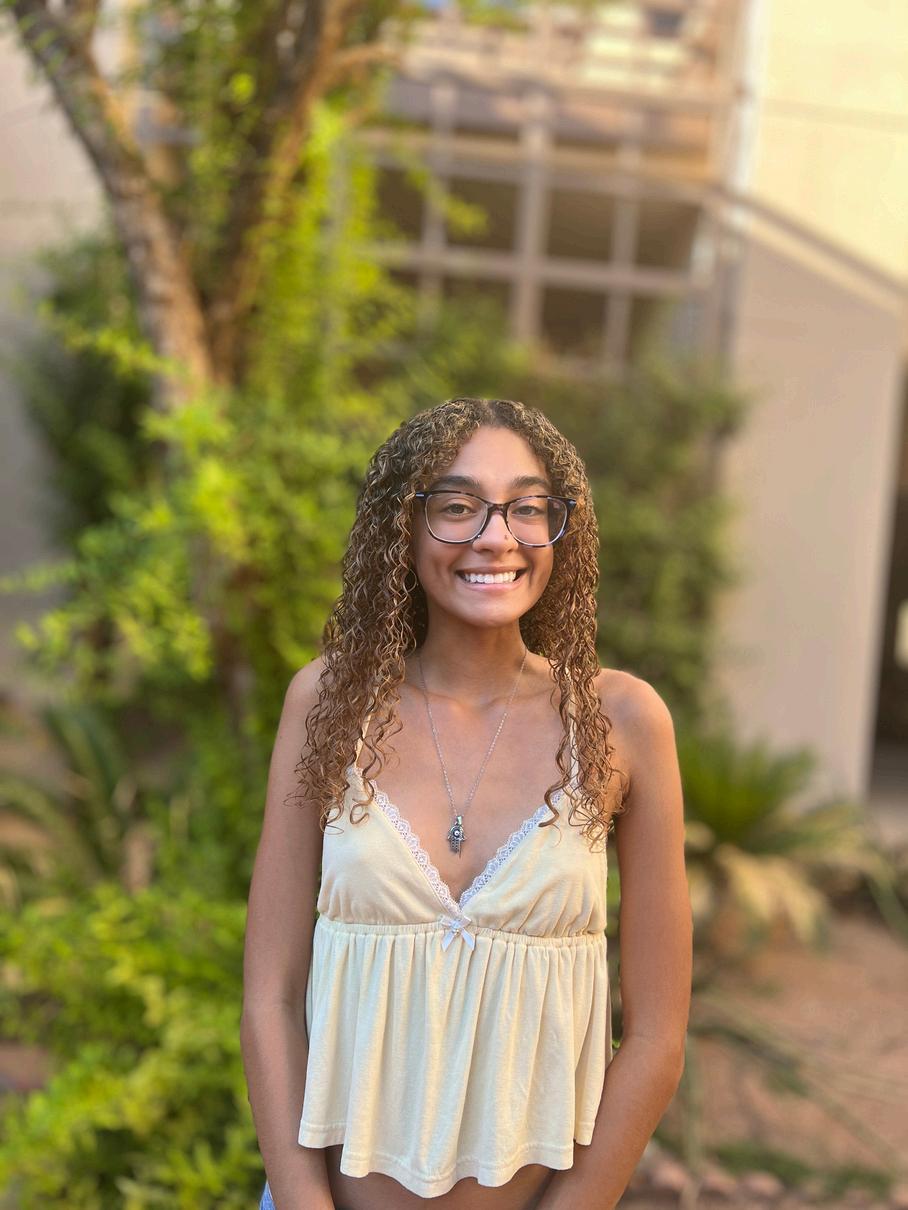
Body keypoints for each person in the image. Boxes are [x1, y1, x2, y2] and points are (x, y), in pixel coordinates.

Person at [241, 397, 692, 1210]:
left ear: (559, 529)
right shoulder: (330, 702)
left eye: (526, 508)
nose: (495, 537)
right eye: (456, 506)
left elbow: (658, 1036)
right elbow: (270, 998)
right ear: (403, 529)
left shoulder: (621, 721)